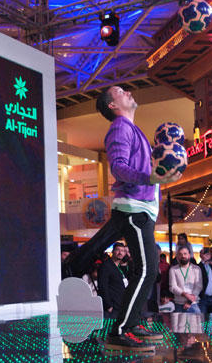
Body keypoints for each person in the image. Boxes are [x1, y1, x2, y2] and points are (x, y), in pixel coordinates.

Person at [63, 86, 181, 348]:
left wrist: (160, 169)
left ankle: (132, 322)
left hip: (138, 208)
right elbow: (118, 167)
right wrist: (150, 177)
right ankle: (122, 330)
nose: (127, 91)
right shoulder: (120, 127)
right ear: (113, 105)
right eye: (120, 91)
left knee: (142, 268)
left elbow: (142, 169)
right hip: (134, 208)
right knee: (147, 269)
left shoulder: (132, 129)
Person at [168, 244, 202, 313]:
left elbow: (198, 286)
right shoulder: (173, 269)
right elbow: (172, 287)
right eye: (180, 254)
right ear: (177, 256)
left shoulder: (196, 269)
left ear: (189, 255)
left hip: (193, 304)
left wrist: (189, 301)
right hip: (179, 304)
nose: (183, 256)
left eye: (185, 254)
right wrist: (185, 294)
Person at [97, 243, 128, 318]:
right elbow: (103, 286)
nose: (120, 253)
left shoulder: (120, 266)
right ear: (113, 251)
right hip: (112, 307)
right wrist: (108, 305)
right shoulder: (106, 266)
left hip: (120, 305)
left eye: (122, 251)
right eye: (118, 250)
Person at [197, 247, 212, 316]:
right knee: (203, 318)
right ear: (201, 255)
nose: (207, 255)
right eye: (205, 253)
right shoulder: (198, 267)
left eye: (208, 253)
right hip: (203, 297)